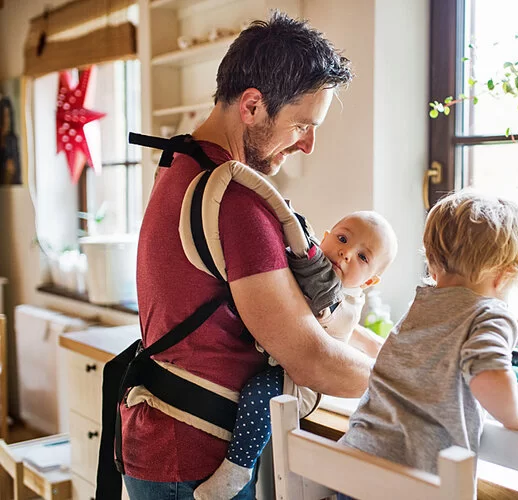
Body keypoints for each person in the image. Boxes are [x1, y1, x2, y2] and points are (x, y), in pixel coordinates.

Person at [122, 12, 374, 500]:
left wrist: (397, 355)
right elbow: (312, 360)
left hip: (162, 441)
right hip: (192, 459)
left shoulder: (181, 161)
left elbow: (291, 314)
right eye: (302, 124)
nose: (308, 144)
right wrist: (417, 383)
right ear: (253, 106)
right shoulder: (235, 203)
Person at [339, 191, 518, 488]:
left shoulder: (420, 306)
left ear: (432, 264)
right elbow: (488, 376)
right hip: (414, 477)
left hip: (355, 460)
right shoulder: (490, 314)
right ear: (503, 276)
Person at [194, 210, 397, 500]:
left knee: (257, 394)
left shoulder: (348, 300)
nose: (346, 253)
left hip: (300, 385)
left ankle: (237, 468)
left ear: (368, 282)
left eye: (363, 257)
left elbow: (332, 319)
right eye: (342, 239)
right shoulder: (311, 267)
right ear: (324, 238)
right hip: (278, 360)